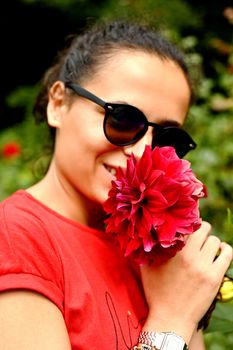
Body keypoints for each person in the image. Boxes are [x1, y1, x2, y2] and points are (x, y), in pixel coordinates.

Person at [0, 20, 232, 350]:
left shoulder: (156, 256)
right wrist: (170, 321)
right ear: (58, 103)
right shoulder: (17, 239)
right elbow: (173, 325)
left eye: (167, 138)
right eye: (123, 119)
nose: (142, 152)